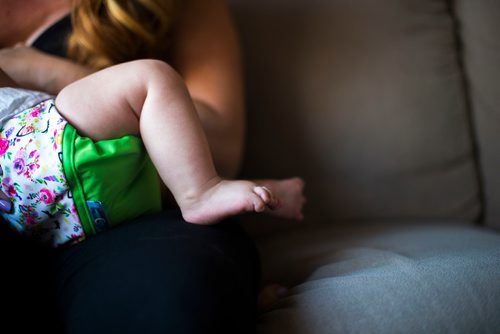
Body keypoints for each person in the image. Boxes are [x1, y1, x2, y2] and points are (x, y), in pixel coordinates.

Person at [0, 0, 304, 332]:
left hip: (133, 218)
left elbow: (223, 147)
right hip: (20, 210)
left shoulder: (176, 7)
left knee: (169, 300)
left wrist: (43, 70)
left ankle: (205, 196)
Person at [0, 61, 304, 247]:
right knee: (149, 79)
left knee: (157, 158)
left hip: (44, 225)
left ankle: (256, 195)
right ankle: (202, 192)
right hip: (27, 144)